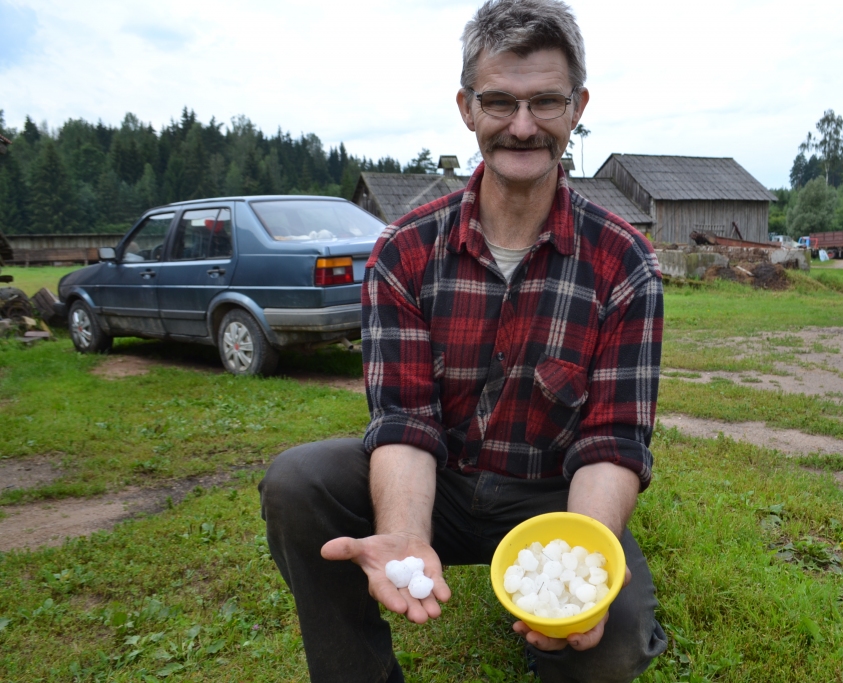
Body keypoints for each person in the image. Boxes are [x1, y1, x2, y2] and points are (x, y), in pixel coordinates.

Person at [259, 1, 667, 680]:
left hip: (550, 497)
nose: (523, 125)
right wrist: (408, 537)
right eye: (500, 101)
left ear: (578, 107)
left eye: (546, 101)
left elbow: (613, 440)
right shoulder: (403, 251)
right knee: (298, 480)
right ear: (467, 107)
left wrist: (578, 561)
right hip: (437, 485)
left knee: (614, 640)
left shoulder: (625, 262)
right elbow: (406, 421)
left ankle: (555, 625)